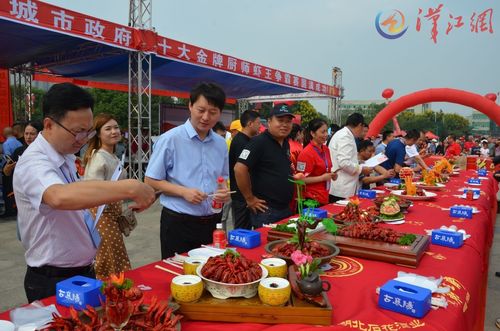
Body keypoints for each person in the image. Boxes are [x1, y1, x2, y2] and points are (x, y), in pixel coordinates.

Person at [13, 83, 155, 302]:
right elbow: (58, 196)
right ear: (49, 125)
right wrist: (130, 187)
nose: (82, 139)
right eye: (77, 131)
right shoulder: (34, 161)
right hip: (53, 279)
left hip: (82, 271)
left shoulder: (66, 156)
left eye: (88, 131)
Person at [145, 82, 230, 259]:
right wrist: (183, 192)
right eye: (201, 110)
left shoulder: (221, 144)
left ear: (220, 113)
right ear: (190, 106)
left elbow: (222, 179)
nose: (206, 117)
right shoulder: (171, 139)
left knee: (210, 272)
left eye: (213, 112)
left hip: (213, 222)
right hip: (179, 222)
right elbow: (151, 180)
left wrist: (223, 193)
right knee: (178, 275)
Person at [83, 114, 131, 280]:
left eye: (116, 127)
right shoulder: (98, 157)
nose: (114, 131)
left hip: (112, 216)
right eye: (108, 128)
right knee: (107, 259)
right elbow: (92, 191)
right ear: (98, 133)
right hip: (102, 217)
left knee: (115, 257)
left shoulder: (113, 157)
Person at [234, 103, 294, 228]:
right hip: (267, 211)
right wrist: (249, 199)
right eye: (280, 120)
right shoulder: (258, 142)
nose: (284, 124)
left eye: (288, 121)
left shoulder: (285, 143)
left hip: (285, 208)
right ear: (269, 121)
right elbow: (239, 169)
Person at [2, 121, 43, 219]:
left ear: (40, 134)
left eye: (32, 134)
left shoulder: (44, 151)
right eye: (26, 133)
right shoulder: (19, 151)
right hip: (22, 197)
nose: (28, 137)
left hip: (39, 196)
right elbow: (6, 172)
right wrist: (7, 169)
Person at [328, 113, 372, 201]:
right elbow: (344, 162)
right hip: (342, 187)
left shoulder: (346, 134)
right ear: (360, 125)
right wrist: (361, 169)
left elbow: (346, 158)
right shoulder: (345, 136)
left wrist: (358, 162)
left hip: (344, 184)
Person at [229, 110, 261, 229]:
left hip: (245, 194)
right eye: (258, 123)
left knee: (248, 227)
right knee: (242, 229)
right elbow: (241, 170)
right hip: (242, 195)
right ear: (250, 124)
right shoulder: (240, 141)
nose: (260, 126)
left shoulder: (248, 141)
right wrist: (249, 197)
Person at [296, 118, 337, 206]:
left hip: (324, 196)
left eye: (327, 131)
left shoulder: (325, 149)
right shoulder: (306, 153)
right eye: (323, 132)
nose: (326, 134)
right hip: (310, 199)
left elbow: (325, 169)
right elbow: (300, 180)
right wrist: (322, 178)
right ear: (312, 133)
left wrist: (332, 174)